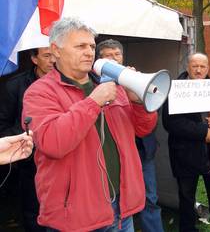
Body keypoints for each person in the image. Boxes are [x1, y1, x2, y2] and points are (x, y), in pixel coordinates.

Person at [22, 17, 157, 231]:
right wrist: (94, 102)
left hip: (121, 206)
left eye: (92, 46)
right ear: (56, 50)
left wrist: (139, 102)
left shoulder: (112, 85)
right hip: (76, 214)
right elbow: (52, 143)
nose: (89, 52)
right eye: (80, 46)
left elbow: (143, 129)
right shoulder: (39, 93)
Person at [162, 53, 210, 232]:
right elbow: (170, 123)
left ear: (208, 68)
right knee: (186, 196)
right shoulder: (175, 90)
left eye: (203, 66)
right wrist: (203, 131)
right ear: (188, 67)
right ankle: (187, 228)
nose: (199, 70)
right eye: (195, 66)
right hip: (185, 153)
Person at [97, 39, 164, 232]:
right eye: (108, 56)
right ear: (99, 60)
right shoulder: (96, 85)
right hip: (115, 158)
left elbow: (145, 126)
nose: (114, 59)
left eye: (117, 55)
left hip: (142, 151)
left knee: (149, 197)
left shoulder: (132, 79)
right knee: (117, 201)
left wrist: (136, 97)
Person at [0, 46, 55, 232]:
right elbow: (2, 125)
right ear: (34, 59)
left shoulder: (68, 81)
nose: (52, 61)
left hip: (59, 160)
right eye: (47, 56)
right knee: (33, 213)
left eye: (55, 56)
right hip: (29, 163)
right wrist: (28, 130)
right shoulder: (14, 86)